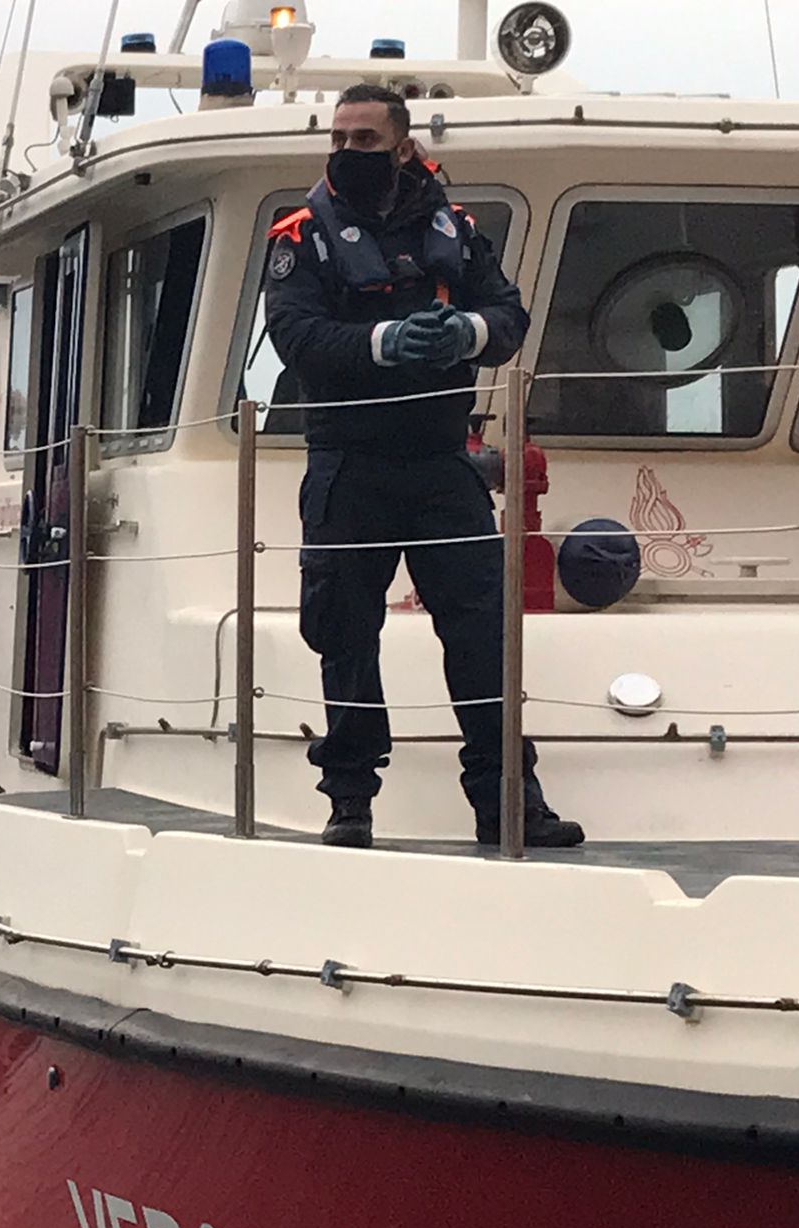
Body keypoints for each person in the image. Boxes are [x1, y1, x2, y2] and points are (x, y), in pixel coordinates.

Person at [264, 83, 582, 850]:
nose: (347, 152)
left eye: (365, 140)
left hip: (444, 464)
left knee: (482, 636)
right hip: (351, 465)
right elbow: (298, 338)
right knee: (344, 636)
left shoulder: (457, 232)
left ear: (403, 147)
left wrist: (465, 333)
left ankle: (508, 803)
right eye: (337, 139)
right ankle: (349, 803)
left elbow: (508, 316)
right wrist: (383, 344)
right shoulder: (300, 238)